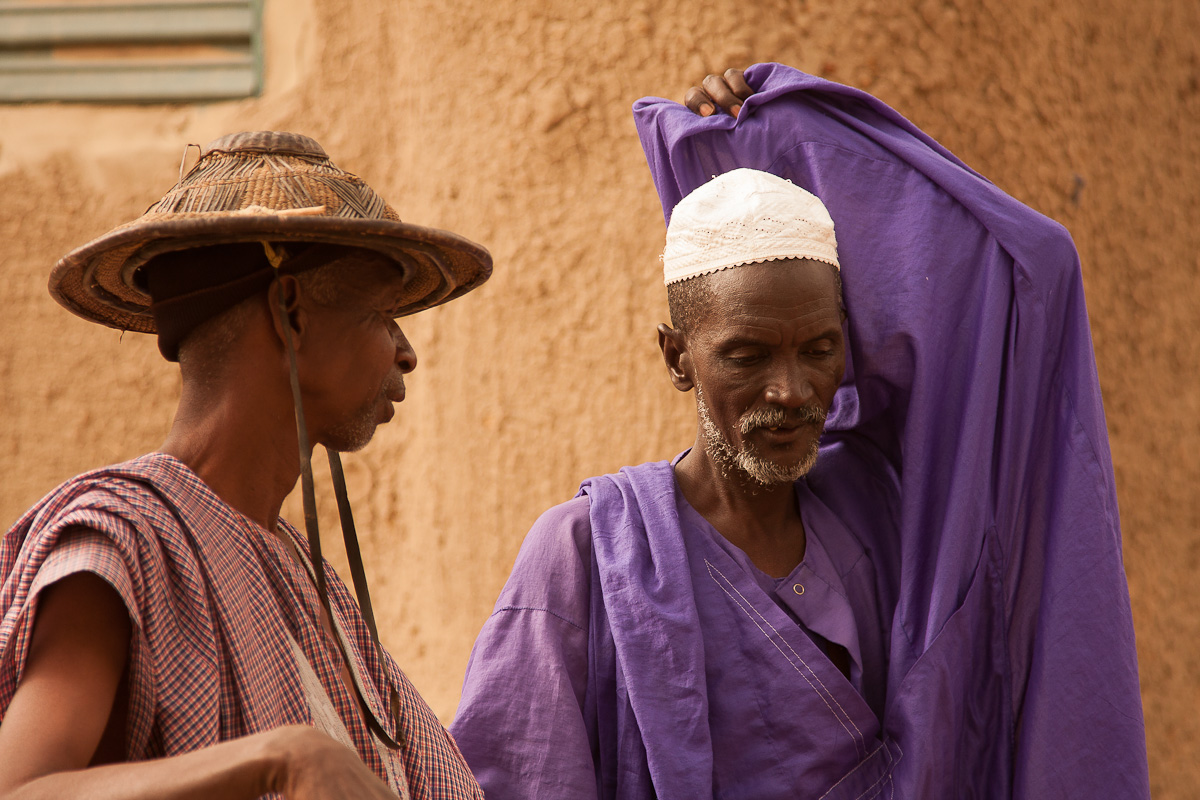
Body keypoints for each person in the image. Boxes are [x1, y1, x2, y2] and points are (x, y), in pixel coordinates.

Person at [450, 66, 1150, 799]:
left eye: (818, 350)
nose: (789, 391)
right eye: (747, 356)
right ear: (677, 358)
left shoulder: (879, 518)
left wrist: (781, 132)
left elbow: (1031, 269)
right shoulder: (584, 556)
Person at [0, 131, 488, 799]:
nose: (406, 353)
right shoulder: (125, 538)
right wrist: (284, 757)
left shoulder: (302, 575)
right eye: (381, 315)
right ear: (290, 312)